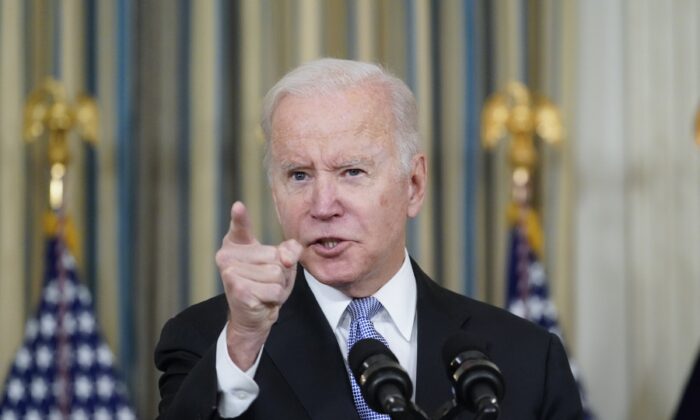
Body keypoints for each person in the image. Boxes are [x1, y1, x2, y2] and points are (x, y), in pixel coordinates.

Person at [154, 58, 583, 420]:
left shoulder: (527, 356)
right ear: (275, 194)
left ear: (413, 185)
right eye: (299, 175)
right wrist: (244, 342)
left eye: (352, 172)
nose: (323, 205)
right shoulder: (210, 342)